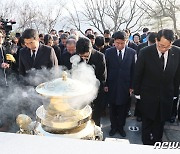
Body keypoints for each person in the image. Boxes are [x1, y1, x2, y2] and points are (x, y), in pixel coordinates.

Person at [134, 29, 180, 145]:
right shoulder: (145, 52)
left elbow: (177, 75)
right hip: (148, 95)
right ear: (156, 40)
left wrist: (175, 94)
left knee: (160, 125)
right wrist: (137, 93)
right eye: (161, 46)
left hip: (166, 96)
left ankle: (157, 144)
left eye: (167, 47)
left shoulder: (177, 52)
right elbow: (138, 73)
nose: (163, 49)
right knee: (147, 124)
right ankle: (146, 145)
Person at [104, 31, 135, 137]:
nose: (119, 45)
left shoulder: (132, 52)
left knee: (123, 108)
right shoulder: (108, 52)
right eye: (117, 43)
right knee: (112, 108)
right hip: (112, 85)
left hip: (125, 85)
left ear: (126, 41)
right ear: (114, 42)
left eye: (122, 43)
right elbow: (105, 70)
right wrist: (106, 84)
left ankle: (121, 127)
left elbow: (133, 70)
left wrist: (132, 86)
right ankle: (113, 127)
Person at [76, 37, 106, 126]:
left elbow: (102, 78)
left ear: (91, 49)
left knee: (95, 119)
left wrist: (93, 90)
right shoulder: (75, 57)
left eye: (86, 56)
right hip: (80, 95)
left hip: (95, 94)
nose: (84, 59)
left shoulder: (100, 57)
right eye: (81, 56)